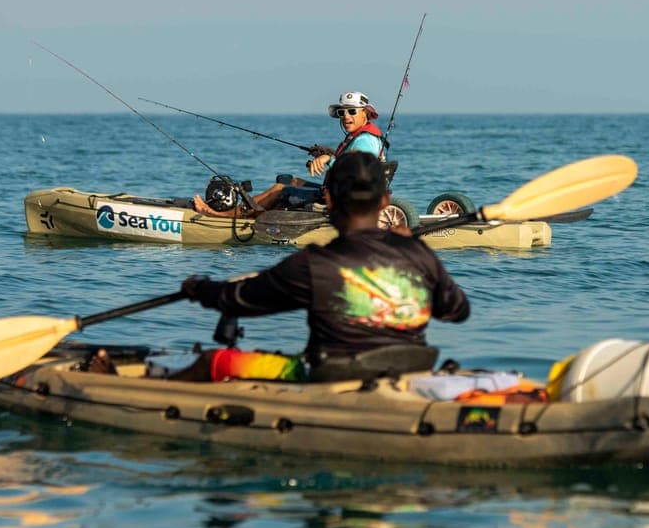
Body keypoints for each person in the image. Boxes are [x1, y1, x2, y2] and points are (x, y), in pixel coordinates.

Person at [173, 151, 470, 382]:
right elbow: (457, 310)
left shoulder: (315, 265)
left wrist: (199, 288)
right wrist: (412, 250)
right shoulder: (419, 255)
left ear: (329, 199)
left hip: (333, 376)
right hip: (411, 371)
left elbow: (241, 299)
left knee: (214, 361)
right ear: (385, 200)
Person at [192, 91, 386, 217]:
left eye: (352, 111)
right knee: (289, 180)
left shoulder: (365, 140)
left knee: (279, 188)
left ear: (365, 114)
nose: (346, 117)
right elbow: (347, 159)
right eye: (342, 112)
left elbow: (355, 167)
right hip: (337, 191)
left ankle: (230, 216)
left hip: (341, 199)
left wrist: (328, 159)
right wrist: (325, 153)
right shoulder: (360, 137)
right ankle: (253, 211)